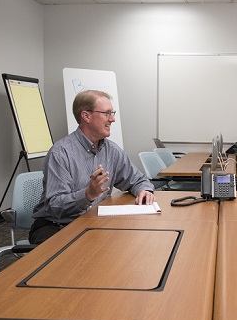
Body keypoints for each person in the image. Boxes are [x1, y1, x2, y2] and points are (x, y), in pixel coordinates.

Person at [29, 90, 156, 244]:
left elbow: (137, 180)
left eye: (112, 113)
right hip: (56, 224)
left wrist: (144, 190)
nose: (113, 119)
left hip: (91, 220)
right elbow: (55, 206)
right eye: (107, 113)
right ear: (86, 116)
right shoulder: (61, 153)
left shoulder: (112, 150)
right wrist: (87, 195)